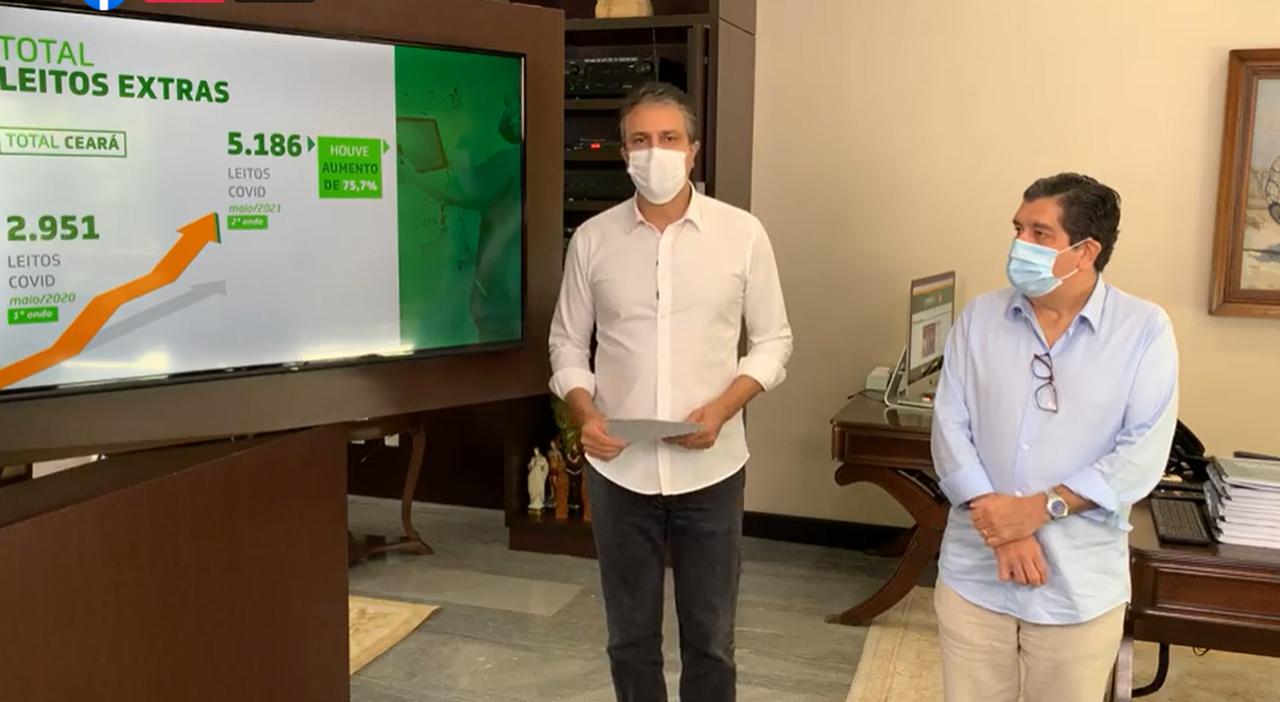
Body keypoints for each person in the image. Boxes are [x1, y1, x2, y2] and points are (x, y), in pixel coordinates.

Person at [547, 82, 793, 702]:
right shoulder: (593, 240)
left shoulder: (742, 234)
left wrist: (723, 409)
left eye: (668, 138)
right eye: (640, 140)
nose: (653, 151)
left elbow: (773, 341)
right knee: (629, 637)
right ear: (623, 153)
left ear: (693, 150)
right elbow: (567, 345)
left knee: (711, 638)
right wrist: (585, 414)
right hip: (619, 470)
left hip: (712, 470)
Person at [930, 173, 1179, 702]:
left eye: (1040, 234)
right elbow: (949, 425)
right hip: (975, 574)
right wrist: (1005, 528)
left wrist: (1040, 509)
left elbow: (1141, 453)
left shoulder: (1144, 331)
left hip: (1077, 588)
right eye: (1018, 229)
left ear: (1086, 251)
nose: (1020, 244)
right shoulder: (980, 318)